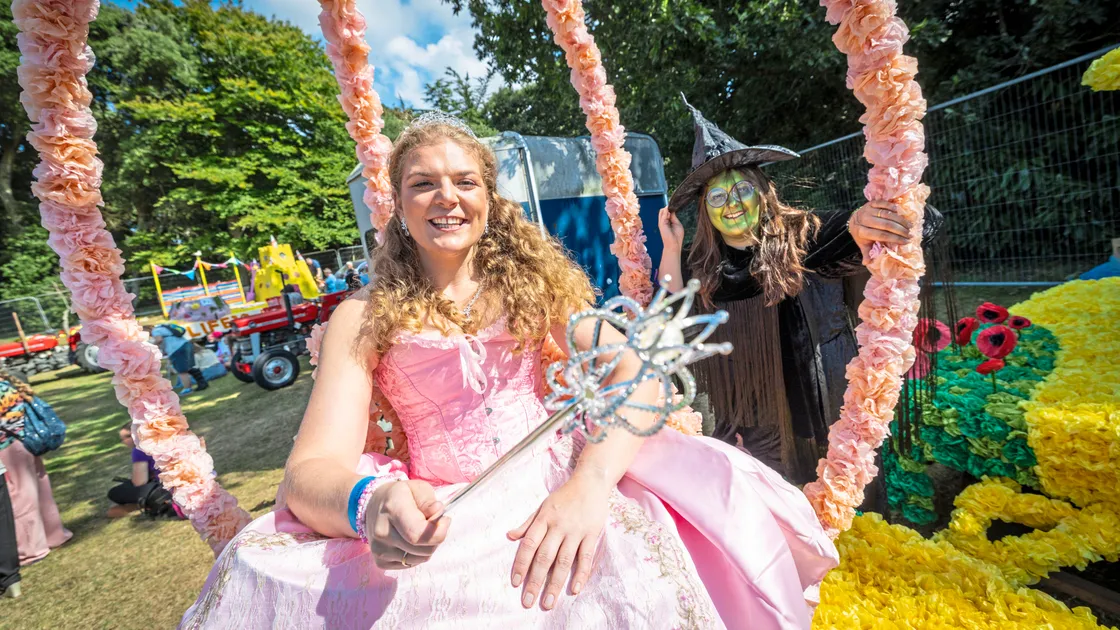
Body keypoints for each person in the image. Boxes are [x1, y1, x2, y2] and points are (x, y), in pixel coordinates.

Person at [183, 114, 838, 629]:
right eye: (423, 182)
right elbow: (308, 474)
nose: (448, 197)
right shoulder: (361, 316)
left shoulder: (534, 289)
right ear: (399, 205)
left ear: (489, 199)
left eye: (466, 181)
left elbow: (639, 377)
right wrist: (370, 504)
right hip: (447, 510)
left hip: (563, 480)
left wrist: (588, 487)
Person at [657, 97, 944, 484]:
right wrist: (672, 247)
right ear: (706, 211)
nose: (732, 204)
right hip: (752, 412)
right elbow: (674, 305)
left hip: (815, 396)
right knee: (776, 494)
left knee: (832, 488)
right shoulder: (706, 261)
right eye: (718, 197)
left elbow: (851, 231)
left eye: (741, 189)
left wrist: (861, 227)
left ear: (762, 192)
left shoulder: (801, 234)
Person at [0, 371, 72, 570]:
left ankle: (31, 550)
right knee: (40, 492)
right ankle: (54, 534)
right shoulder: (6, 384)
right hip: (23, 444)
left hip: (7, 449)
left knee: (19, 500)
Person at [107, 423, 182, 519]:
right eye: (123, 439)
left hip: (167, 489)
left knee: (114, 493)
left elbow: (139, 482)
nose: (125, 441)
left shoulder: (140, 449)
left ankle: (144, 504)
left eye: (128, 436)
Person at [151, 325, 208, 395]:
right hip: (186, 344)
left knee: (182, 371)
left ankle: (188, 388)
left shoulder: (155, 331)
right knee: (189, 367)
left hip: (176, 349)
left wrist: (151, 346)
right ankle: (202, 383)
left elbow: (159, 339)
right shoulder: (163, 327)